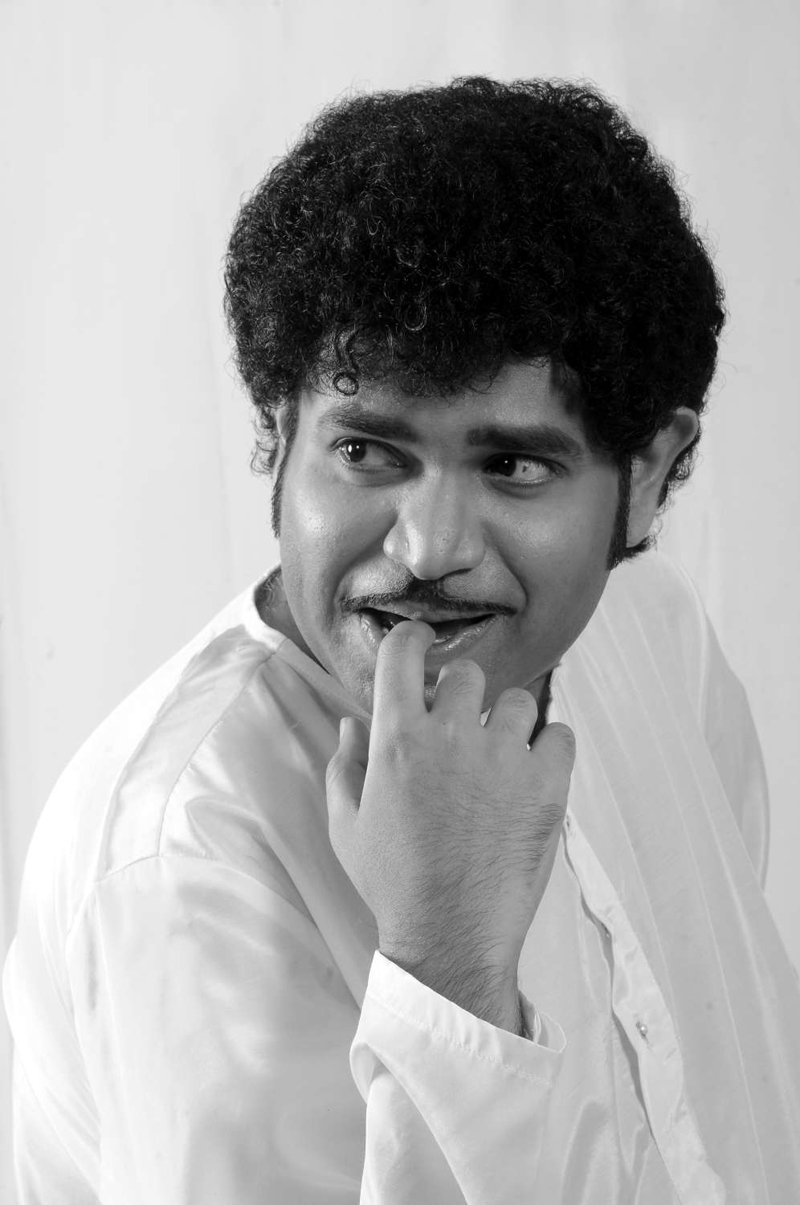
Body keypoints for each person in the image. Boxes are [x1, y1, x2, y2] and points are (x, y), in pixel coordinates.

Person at [3, 75, 799, 1204]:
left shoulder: (650, 633)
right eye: (368, 452)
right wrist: (446, 962)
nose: (427, 547)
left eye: (512, 465)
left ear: (650, 473)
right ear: (278, 436)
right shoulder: (186, 863)